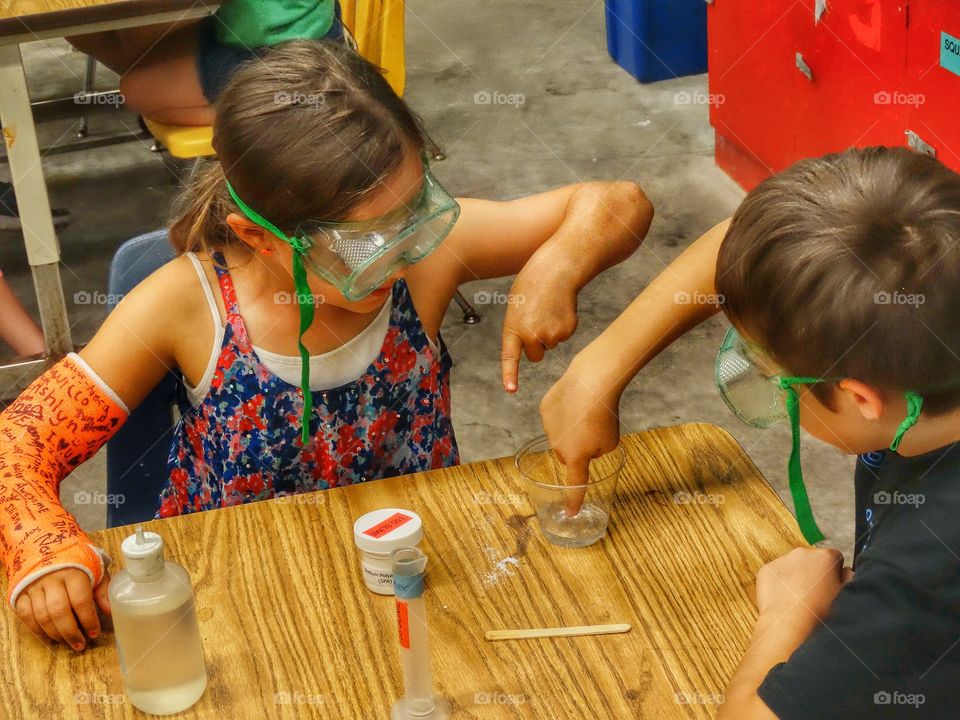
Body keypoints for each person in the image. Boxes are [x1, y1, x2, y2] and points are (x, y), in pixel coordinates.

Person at [0, 40, 653, 651]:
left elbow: (618, 202)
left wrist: (555, 266)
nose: (399, 252)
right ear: (258, 238)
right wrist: (42, 549)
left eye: (414, 210)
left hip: (425, 577)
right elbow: (16, 446)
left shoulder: (424, 259)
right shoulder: (186, 304)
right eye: (362, 244)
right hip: (253, 606)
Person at [545, 147, 960, 718]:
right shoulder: (936, 257)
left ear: (859, 397)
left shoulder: (922, 577)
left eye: (770, 373)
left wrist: (788, 612)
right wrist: (598, 369)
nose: (765, 378)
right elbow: (784, 243)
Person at [67, 0, 346, 126]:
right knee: (86, 33)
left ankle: (272, 111)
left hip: (288, 46)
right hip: (251, 27)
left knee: (134, 88)